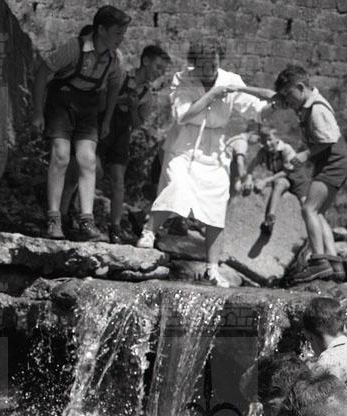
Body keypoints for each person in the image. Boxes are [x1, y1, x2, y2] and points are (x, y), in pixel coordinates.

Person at [136, 37, 275, 288]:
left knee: (216, 206)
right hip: (184, 145)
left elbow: (256, 109)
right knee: (176, 187)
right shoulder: (182, 79)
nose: (210, 69)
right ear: (195, 63)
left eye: (214, 63)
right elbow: (182, 115)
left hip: (215, 151)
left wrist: (275, 105)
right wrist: (212, 94)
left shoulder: (231, 80)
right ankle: (148, 233)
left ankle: (212, 268)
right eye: (204, 65)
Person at [31, 6, 130, 241]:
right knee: (61, 156)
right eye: (118, 32)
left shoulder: (115, 59)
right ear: (101, 30)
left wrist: (107, 120)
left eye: (123, 33)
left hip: (89, 107)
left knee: (88, 160)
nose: (121, 38)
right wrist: (37, 112)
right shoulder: (74, 48)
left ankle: (87, 220)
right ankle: (53, 219)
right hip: (62, 101)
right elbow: (42, 73)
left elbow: (114, 87)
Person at [274, 65, 347, 283]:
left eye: (288, 95)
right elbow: (276, 97)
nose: (287, 101)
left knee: (308, 209)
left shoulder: (317, 109)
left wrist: (305, 155)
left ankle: (319, 262)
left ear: (300, 88)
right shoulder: (306, 104)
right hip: (333, 163)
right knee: (318, 213)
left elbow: (329, 139)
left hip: (333, 163)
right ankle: (334, 264)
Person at [97, 44, 170, 244]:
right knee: (94, 170)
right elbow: (101, 100)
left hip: (122, 134)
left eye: (163, 70)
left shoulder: (147, 94)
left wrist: (133, 107)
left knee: (118, 180)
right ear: (145, 61)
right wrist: (121, 99)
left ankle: (115, 227)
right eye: (158, 67)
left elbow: (137, 124)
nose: (159, 73)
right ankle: (76, 213)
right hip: (101, 126)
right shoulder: (121, 76)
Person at [252, 125, 310, 240]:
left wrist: (265, 181)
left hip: (297, 179)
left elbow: (286, 171)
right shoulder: (263, 152)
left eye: (270, 139)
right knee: (279, 184)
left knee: (306, 207)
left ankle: (311, 237)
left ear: (276, 139)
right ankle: (270, 218)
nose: (267, 143)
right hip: (283, 178)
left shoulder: (286, 149)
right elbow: (252, 165)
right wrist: (249, 178)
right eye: (264, 141)